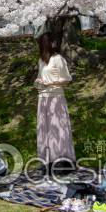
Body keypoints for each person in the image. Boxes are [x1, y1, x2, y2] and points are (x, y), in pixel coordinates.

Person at [35, 33, 76, 175]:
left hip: (56, 97)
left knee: (58, 127)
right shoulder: (41, 60)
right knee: (44, 129)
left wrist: (50, 82)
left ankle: (62, 161)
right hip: (43, 97)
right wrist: (39, 82)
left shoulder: (58, 59)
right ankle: (47, 160)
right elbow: (40, 77)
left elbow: (67, 79)